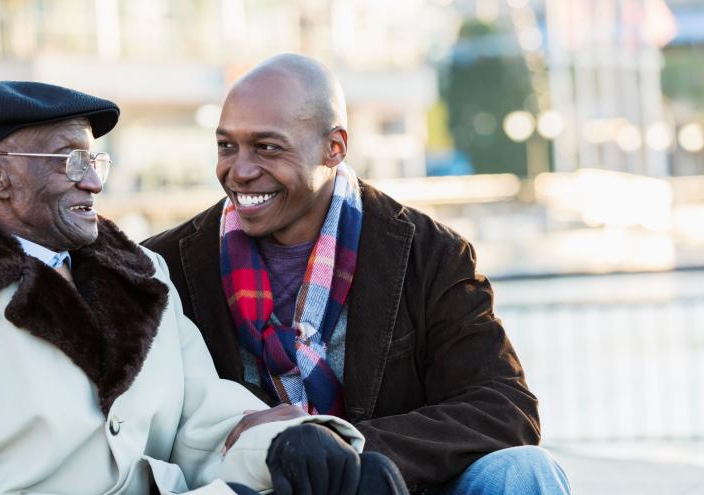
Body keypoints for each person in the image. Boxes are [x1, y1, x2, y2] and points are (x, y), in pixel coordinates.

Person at [0, 81, 380, 495]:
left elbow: (201, 418)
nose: (93, 179)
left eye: (95, 159)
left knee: (358, 479)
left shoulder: (140, 272)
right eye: (70, 160)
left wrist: (287, 448)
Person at [142, 54, 571, 494]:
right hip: (254, 487)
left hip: (392, 484)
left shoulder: (431, 253)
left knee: (524, 469)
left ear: (335, 147)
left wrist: (348, 454)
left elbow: (504, 409)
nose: (240, 171)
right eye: (227, 146)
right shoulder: (161, 267)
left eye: (268, 147)